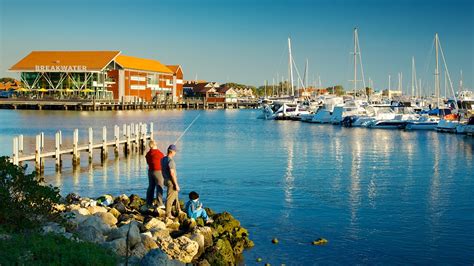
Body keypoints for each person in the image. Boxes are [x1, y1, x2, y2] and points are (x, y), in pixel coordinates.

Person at [161, 144, 181, 218]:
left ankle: (178, 209)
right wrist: (176, 184)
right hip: (171, 181)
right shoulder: (171, 161)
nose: (175, 153)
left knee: (175, 195)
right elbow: (172, 173)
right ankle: (168, 214)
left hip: (165, 179)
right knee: (170, 198)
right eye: (175, 151)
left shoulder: (163, 159)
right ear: (172, 152)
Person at [145, 140, 165, 208]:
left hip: (150, 171)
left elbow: (148, 162)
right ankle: (160, 203)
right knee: (159, 187)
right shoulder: (159, 153)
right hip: (158, 171)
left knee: (151, 187)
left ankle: (148, 203)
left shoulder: (148, 154)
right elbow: (163, 161)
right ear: (155, 144)